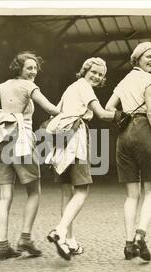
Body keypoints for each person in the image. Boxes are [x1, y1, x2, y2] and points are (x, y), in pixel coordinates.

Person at [0, 51, 60, 261]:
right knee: (34, 191)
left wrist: (1, 118)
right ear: (20, 69)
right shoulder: (28, 86)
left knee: (4, 197)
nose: (33, 72)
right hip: (21, 141)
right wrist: (68, 109)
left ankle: (2, 246)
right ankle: (25, 238)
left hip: (1, 141)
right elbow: (50, 108)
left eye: (35, 68)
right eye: (29, 68)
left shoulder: (2, 86)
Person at [46, 57, 117, 260]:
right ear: (85, 70)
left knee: (67, 191)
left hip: (61, 139)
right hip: (76, 138)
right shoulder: (85, 87)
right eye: (93, 72)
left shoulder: (70, 88)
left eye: (100, 75)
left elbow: (56, 112)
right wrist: (124, 116)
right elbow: (102, 114)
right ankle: (59, 231)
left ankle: (70, 241)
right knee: (82, 191)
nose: (96, 76)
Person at [105, 42, 151, 262]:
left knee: (131, 195)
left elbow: (108, 108)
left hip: (123, 138)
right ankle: (141, 234)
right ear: (138, 58)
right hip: (143, 133)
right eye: (148, 56)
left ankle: (128, 244)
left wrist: (122, 117)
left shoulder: (124, 81)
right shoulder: (149, 80)